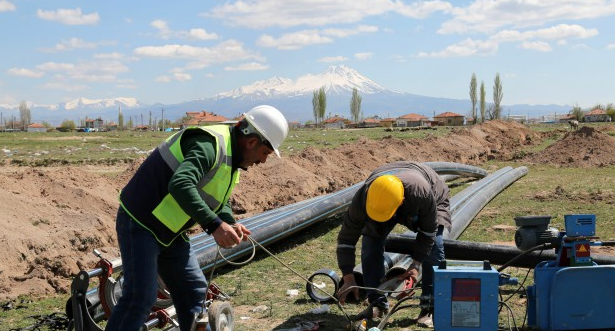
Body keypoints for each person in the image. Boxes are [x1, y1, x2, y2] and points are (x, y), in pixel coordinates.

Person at [105, 105, 289, 331]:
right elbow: (181, 184)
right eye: (265, 154)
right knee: (140, 296)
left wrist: (228, 222)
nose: (263, 162)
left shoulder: (230, 158)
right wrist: (215, 226)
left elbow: (217, 198)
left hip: (169, 231)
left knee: (193, 290)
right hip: (141, 223)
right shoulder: (209, 145)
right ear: (252, 142)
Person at [336, 161, 451, 328]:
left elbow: (428, 233)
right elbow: (346, 238)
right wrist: (348, 276)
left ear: (401, 201)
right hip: (386, 200)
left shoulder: (422, 194)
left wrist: (415, 264)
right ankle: (378, 303)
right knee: (370, 244)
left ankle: (430, 307)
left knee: (435, 246)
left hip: (431, 191)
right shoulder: (363, 199)